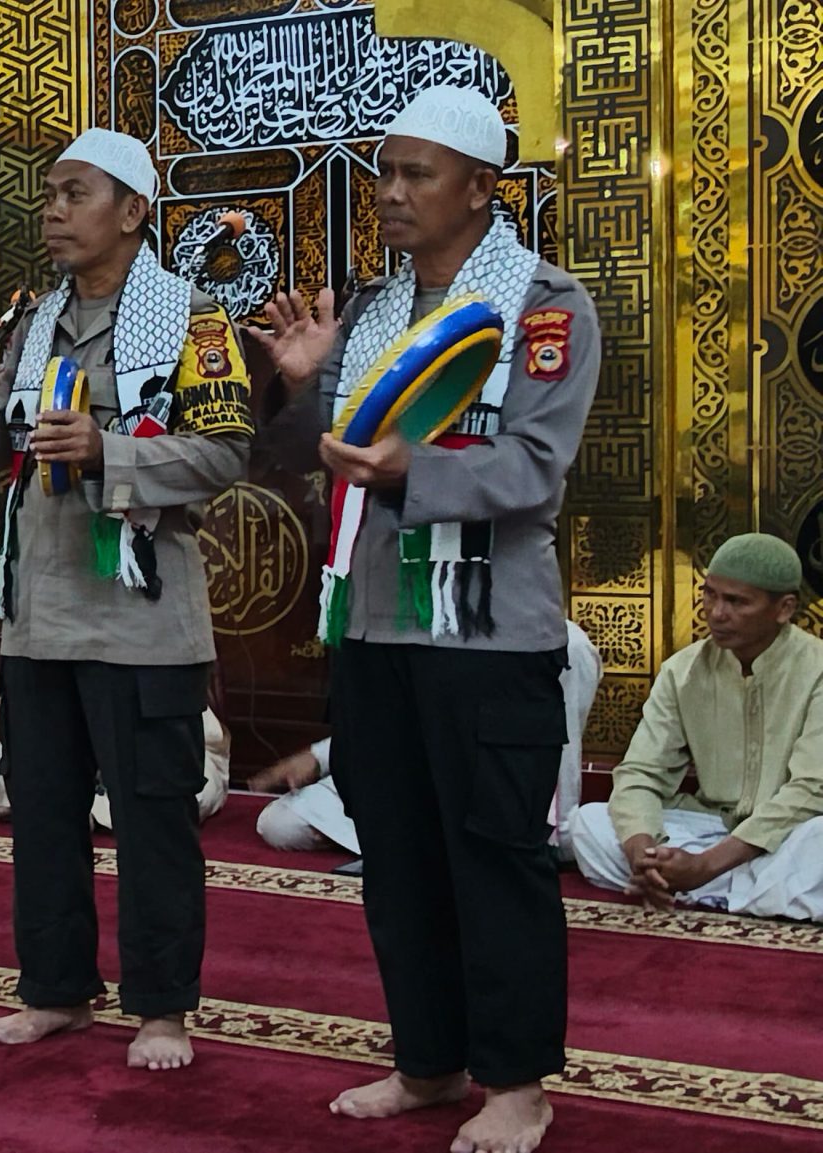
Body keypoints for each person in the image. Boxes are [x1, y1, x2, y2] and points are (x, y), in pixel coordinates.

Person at [244, 86, 598, 1153]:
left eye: (416, 174)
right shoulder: (371, 310)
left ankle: (516, 1084)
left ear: (480, 187)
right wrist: (299, 387)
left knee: (494, 859)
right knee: (397, 861)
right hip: (375, 628)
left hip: (488, 637)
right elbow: (315, 455)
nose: (390, 192)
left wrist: (413, 471)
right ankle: (429, 1060)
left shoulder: (543, 306)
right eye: (384, 172)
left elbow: (534, 467)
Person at [0, 128, 253, 1070]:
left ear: (133, 210)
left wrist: (112, 451)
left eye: (75, 194)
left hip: (142, 621)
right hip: (42, 616)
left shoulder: (194, 320)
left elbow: (226, 454)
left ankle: (161, 1008)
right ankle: (56, 990)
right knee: (43, 813)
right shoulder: (35, 321)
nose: (53, 211)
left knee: (152, 823)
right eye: (49, 195)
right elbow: (17, 446)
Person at [567, 534, 823, 919]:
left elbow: (812, 789)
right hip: (711, 826)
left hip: (789, 834)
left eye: (736, 601)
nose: (716, 613)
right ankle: (728, 890)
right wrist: (644, 854)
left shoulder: (817, 670)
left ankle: (701, 888)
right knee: (588, 824)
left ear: (784, 608)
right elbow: (640, 773)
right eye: (710, 595)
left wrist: (706, 866)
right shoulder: (682, 671)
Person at [256, 619, 602, 856]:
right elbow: (396, 727)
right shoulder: (418, 624)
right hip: (419, 782)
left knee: (580, 834)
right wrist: (320, 757)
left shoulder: (558, 642)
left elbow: (560, 750)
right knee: (281, 824)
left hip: (496, 788)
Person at [0, 692, 233, 829]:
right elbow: (15, 700)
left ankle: (60, 806)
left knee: (184, 791)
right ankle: (70, 806)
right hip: (74, 745)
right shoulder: (56, 625)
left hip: (150, 743)